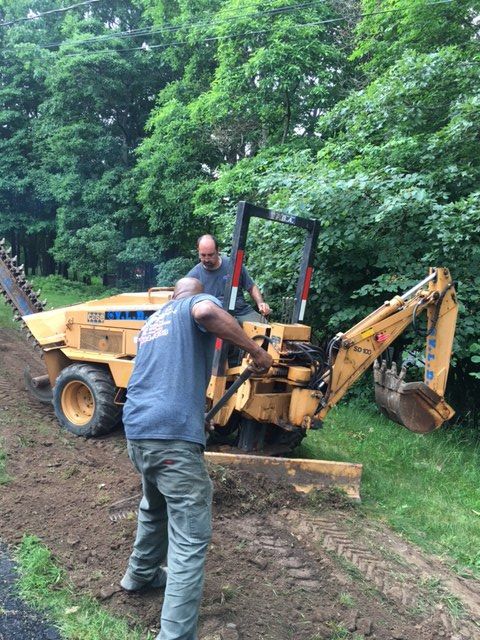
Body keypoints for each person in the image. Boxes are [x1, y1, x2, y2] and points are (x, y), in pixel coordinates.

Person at [120, 277, 273, 640]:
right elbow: (205, 311)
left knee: (154, 506)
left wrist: (195, 415)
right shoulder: (197, 302)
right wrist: (256, 351)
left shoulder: (153, 324)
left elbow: (165, 378)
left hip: (139, 431)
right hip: (171, 437)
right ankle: (174, 635)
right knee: (189, 538)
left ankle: (139, 575)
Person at [186, 234, 271, 324]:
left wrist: (260, 303)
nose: (206, 259)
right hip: (217, 317)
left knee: (268, 332)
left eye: (210, 255)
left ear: (218, 251)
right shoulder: (193, 276)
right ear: (198, 252)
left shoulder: (234, 265)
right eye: (203, 255)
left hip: (241, 311)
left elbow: (251, 286)